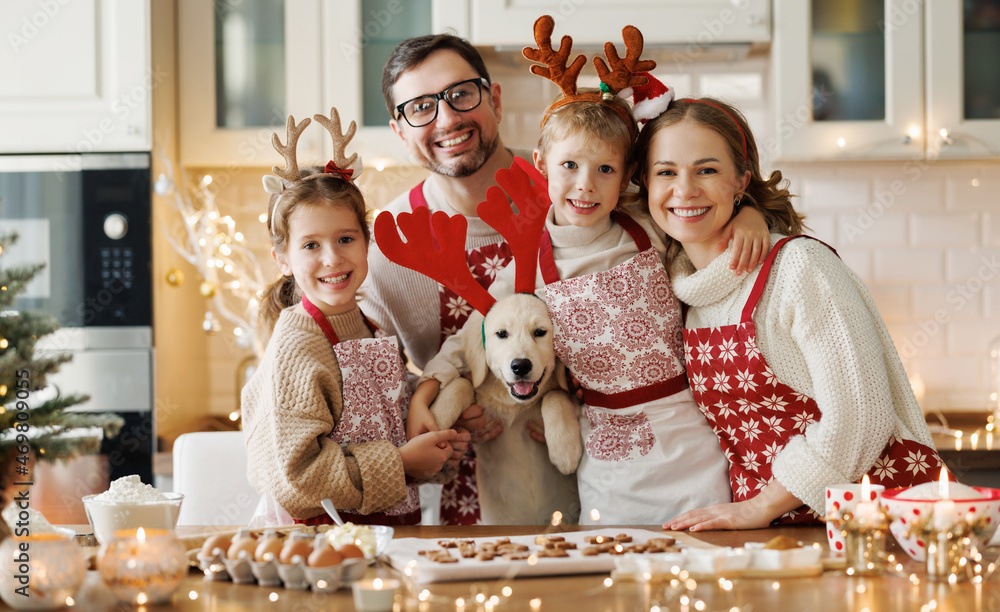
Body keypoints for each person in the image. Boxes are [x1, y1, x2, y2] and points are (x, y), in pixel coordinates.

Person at [412, 17, 772, 524]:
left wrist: (751, 213)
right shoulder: (527, 263)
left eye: (605, 170)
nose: (586, 185)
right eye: (569, 167)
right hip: (605, 454)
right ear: (540, 162)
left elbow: (712, 215)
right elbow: (477, 333)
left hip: (692, 436)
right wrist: (427, 390)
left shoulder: (648, 225)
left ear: (628, 175)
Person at [630, 97, 946, 530]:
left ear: (741, 182)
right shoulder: (681, 291)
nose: (684, 190)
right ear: (645, 184)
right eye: (666, 172)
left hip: (870, 526)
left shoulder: (799, 267)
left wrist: (760, 507)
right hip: (769, 534)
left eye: (707, 170)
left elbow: (862, 416)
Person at [242, 111, 469, 525]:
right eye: (311, 245)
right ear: (283, 259)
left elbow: (386, 412)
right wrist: (401, 463)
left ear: (367, 243)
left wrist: (429, 416)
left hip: (393, 531)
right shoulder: (298, 344)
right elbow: (298, 475)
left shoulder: (371, 325)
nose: (332, 258)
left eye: (346, 238)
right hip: (328, 542)